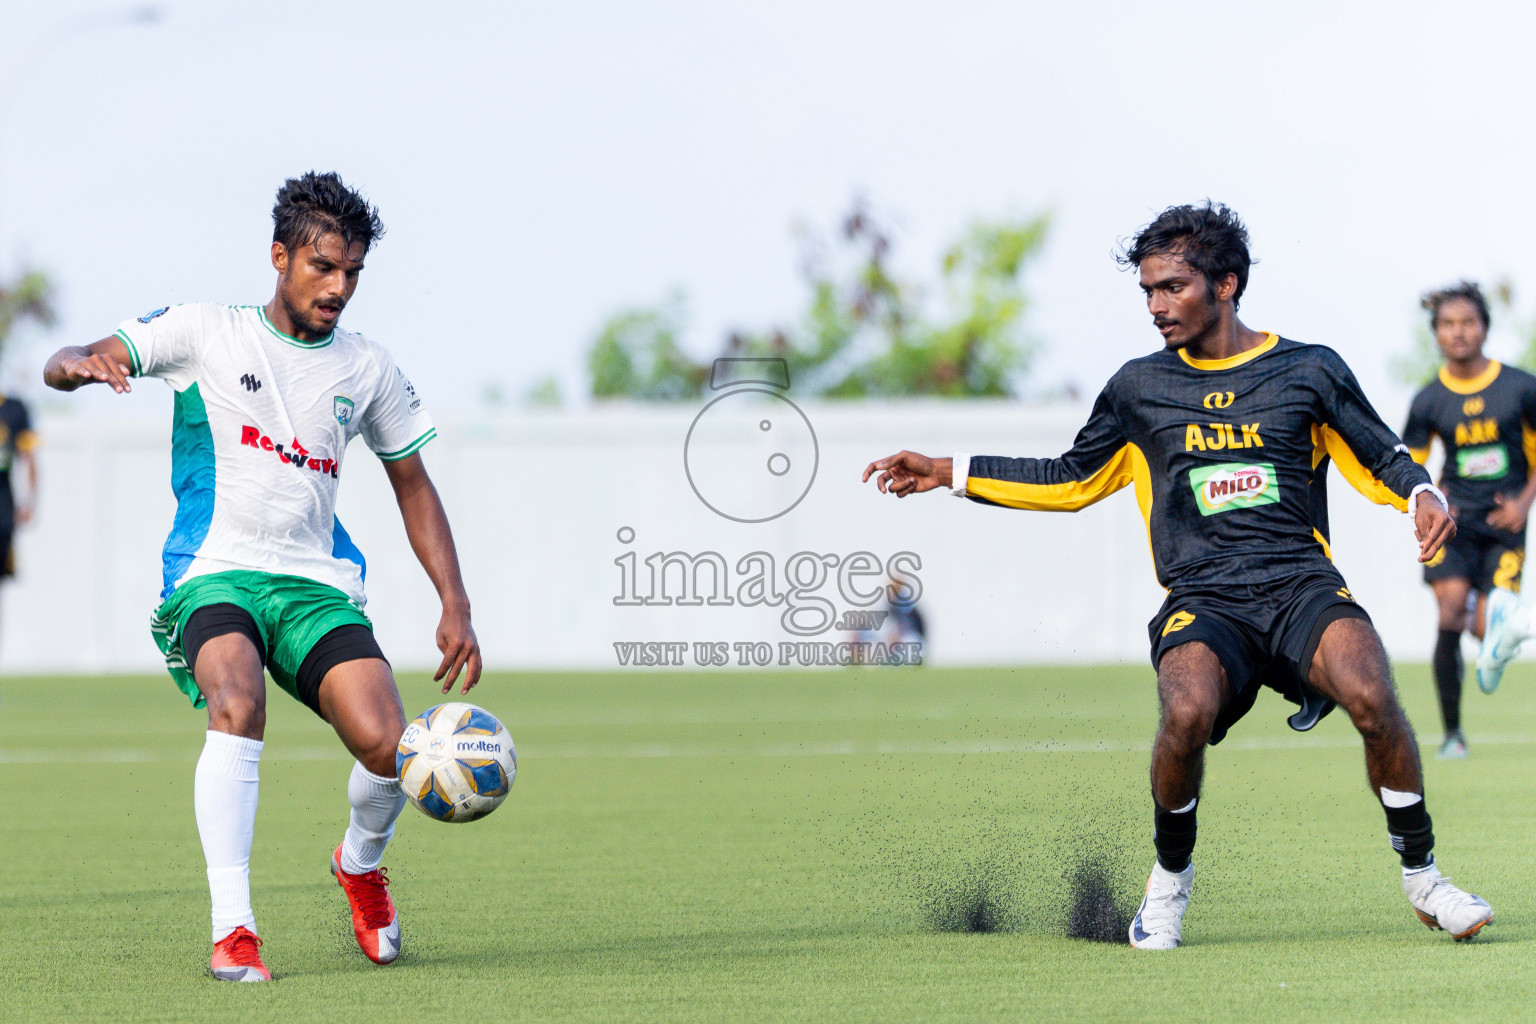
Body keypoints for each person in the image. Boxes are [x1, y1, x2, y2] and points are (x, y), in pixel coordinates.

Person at [862, 202, 1492, 949]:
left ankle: (1423, 877)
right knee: (1186, 713)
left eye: (1173, 287)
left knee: (1372, 691)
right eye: (1148, 291)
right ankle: (1168, 885)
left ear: (1226, 283)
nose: (1157, 306)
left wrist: (1420, 494)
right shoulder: (1139, 388)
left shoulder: (1308, 370)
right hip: (1205, 600)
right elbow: (1070, 478)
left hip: (1300, 588)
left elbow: (1380, 453)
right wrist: (945, 470)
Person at [42, 171, 481, 982]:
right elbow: (78, 356)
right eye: (323, 267)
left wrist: (454, 600)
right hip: (214, 574)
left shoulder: (368, 368)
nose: (339, 287)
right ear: (280, 257)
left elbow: (412, 482)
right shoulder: (204, 330)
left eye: (352, 271)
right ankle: (234, 931)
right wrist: (77, 367)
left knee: (394, 748)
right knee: (237, 702)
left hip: (315, 584)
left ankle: (358, 865)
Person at [1400, 282, 1536, 759]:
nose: (1459, 332)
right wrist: (1430, 503)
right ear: (1436, 332)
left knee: (1488, 623)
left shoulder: (1520, 387)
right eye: (1448, 324)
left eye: (1468, 322)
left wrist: (1523, 504)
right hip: (1453, 523)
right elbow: (1409, 467)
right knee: (1450, 607)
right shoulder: (1428, 400)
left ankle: (1497, 640)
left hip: (1505, 523)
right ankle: (1453, 734)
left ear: (1485, 328)